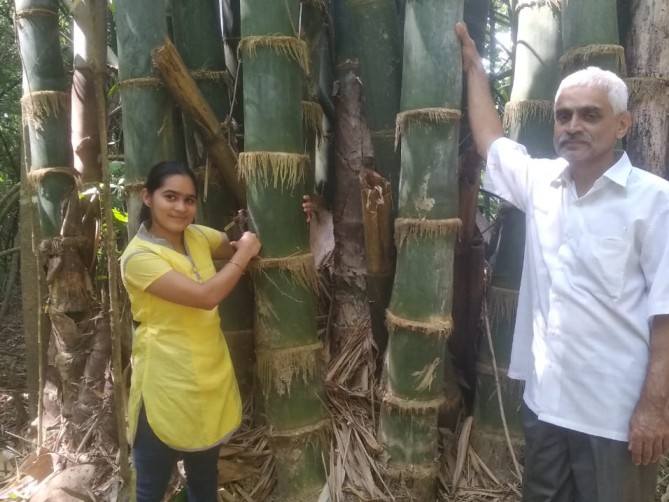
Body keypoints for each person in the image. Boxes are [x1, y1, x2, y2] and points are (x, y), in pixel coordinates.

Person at [456, 21, 669, 502]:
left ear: (622, 124)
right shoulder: (542, 183)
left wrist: (656, 408)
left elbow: (666, 315)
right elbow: (491, 140)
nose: (573, 126)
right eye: (563, 116)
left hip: (616, 418)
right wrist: (474, 65)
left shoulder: (655, 202)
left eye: (590, 115)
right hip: (546, 405)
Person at [120, 160, 262, 502]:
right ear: (147, 197)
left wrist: (252, 235)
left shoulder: (197, 236)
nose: (181, 208)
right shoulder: (138, 257)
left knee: (204, 482)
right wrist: (243, 255)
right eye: (170, 196)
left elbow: (234, 244)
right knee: (150, 489)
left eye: (189, 199)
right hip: (164, 382)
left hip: (208, 379)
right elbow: (206, 296)